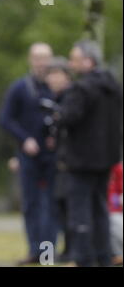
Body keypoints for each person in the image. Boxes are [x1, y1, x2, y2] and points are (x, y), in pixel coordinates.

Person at [54, 39, 123, 267]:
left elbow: (67, 118)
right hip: (106, 160)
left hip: (81, 162)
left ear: (88, 60)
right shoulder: (113, 87)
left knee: (79, 214)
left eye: (74, 59)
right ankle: (104, 257)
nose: (71, 64)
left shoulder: (81, 89)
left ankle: (83, 259)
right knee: (100, 209)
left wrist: (58, 113)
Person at [0, 42, 59, 265]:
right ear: (30, 60)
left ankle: (49, 253)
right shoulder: (20, 88)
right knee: (31, 204)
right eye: (38, 58)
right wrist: (25, 140)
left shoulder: (57, 87)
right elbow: (5, 119)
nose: (42, 63)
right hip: (29, 156)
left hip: (54, 158)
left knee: (52, 204)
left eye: (46, 58)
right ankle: (35, 251)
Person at [43, 56, 73, 263]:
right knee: (62, 206)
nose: (51, 80)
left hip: (73, 163)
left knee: (70, 206)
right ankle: (69, 249)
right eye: (49, 75)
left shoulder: (72, 98)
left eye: (56, 75)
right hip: (61, 162)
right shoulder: (56, 99)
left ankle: (76, 250)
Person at [108, 162, 123, 266]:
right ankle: (118, 255)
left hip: (116, 211)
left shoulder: (117, 169)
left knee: (114, 221)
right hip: (106, 212)